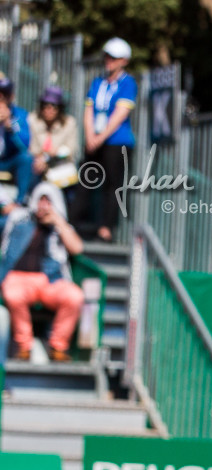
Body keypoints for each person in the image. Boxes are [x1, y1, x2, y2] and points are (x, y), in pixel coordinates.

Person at [0, 183, 82, 361]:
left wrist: (58, 222)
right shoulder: (19, 220)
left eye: (48, 201)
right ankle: (24, 346)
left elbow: (76, 248)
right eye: (41, 200)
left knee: (74, 296)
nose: (43, 205)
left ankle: (58, 346)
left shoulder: (60, 226)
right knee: (13, 294)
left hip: (50, 280)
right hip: (18, 279)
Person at [73, 38, 136, 242]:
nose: (109, 61)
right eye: (107, 56)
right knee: (85, 180)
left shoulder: (128, 83)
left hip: (117, 141)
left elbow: (120, 113)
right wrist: (90, 136)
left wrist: (100, 137)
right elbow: (89, 110)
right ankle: (74, 222)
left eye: (114, 58)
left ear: (124, 61)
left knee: (112, 185)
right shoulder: (97, 82)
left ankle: (106, 228)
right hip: (95, 139)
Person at [31, 87, 81, 192]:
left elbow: (71, 150)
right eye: (46, 105)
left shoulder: (69, 123)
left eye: (54, 106)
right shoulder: (33, 120)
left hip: (60, 166)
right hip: (38, 166)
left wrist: (50, 155)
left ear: (60, 108)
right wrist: (41, 158)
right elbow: (31, 148)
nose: (50, 109)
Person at [0, 79, 32, 203]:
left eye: (5, 94)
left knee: (26, 159)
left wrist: (10, 125)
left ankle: (19, 203)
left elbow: (25, 145)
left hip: (8, 161)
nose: (1, 97)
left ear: (11, 96)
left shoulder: (20, 114)